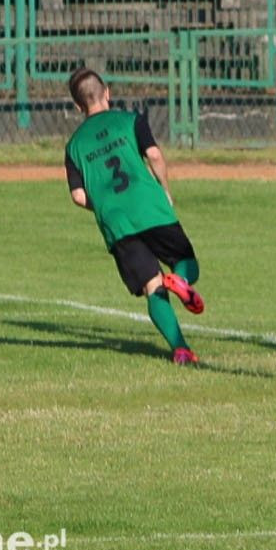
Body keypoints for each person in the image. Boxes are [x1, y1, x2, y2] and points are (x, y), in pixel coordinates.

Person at [64, 67, 205, 366]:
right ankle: (180, 280)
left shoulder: (74, 146)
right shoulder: (130, 120)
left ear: (77, 106)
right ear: (107, 93)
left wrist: (104, 204)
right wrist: (165, 190)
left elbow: (77, 195)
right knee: (187, 262)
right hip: (149, 205)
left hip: (117, 222)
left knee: (152, 286)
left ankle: (181, 349)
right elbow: (154, 155)